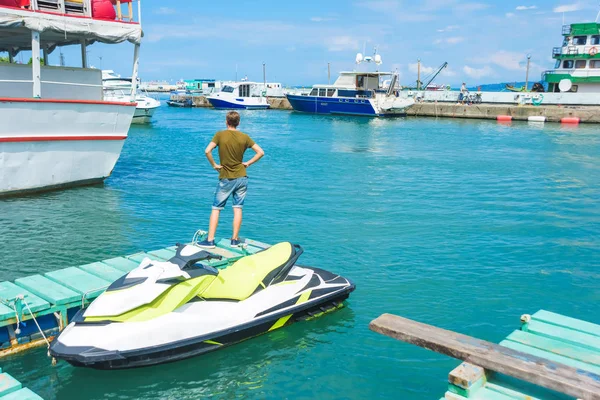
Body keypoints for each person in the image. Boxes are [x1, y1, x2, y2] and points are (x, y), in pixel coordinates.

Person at [197, 111, 264, 248]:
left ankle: (210, 240)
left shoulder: (220, 135)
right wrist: (248, 163)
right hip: (242, 177)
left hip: (226, 178)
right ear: (238, 123)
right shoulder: (244, 137)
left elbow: (207, 151)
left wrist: (214, 165)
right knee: (238, 208)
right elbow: (260, 152)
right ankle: (234, 240)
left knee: (216, 209)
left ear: (226, 122)